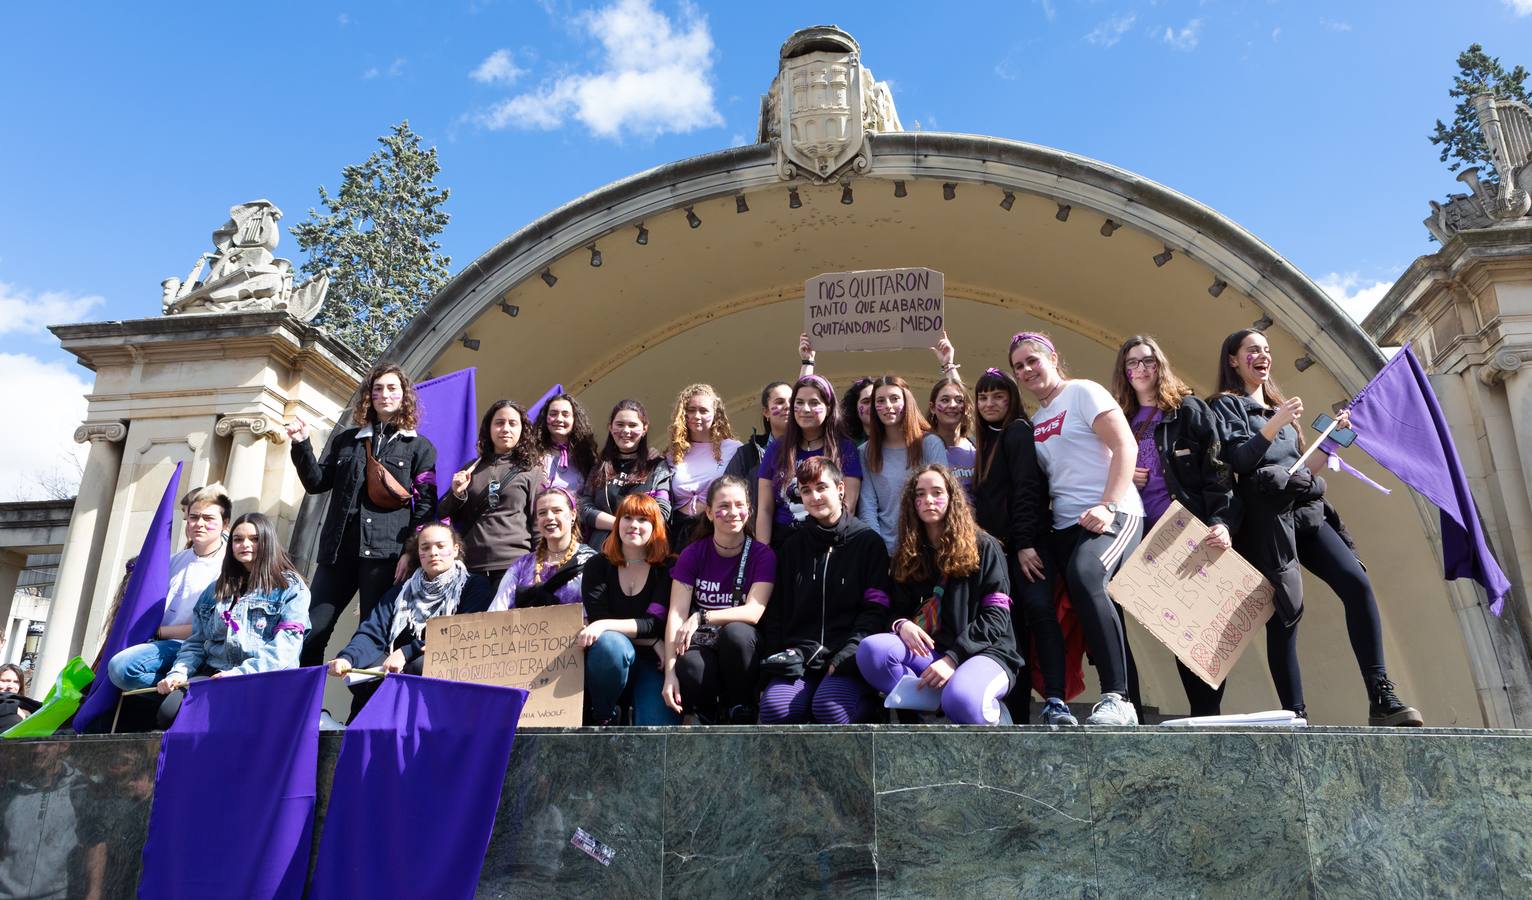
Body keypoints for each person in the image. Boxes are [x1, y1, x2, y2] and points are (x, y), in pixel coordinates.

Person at [1210, 328, 1422, 726]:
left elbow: (1304, 468)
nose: (1263, 356)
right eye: (1252, 350)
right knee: (1287, 612)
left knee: (1356, 584)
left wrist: (1333, 439)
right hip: (1266, 521)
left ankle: (1380, 695)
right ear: (1234, 360)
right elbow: (1239, 461)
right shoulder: (1225, 406)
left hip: (1306, 509)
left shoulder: (1281, 411)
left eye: (1267, 350)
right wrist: (1276, 422)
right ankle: (1296, 713)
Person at [1013, 331, 1144, 726]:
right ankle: (1126, 700)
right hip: (1064, 525)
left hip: (1113, 515)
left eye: (1032, 360)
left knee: (1087, 576)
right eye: (1018, 366)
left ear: (1052, 357)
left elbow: (1126, 447)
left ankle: (1117, 698)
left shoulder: (1084, 392)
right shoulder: (1035, 420)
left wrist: (1107, 505)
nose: (1026, 370)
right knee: (1086, 606)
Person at [1112, 335, 1238, 718]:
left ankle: (1206, 716)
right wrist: (1121, 477)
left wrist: (1222, 521)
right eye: (1131, 364)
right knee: (1173, 631)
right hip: (1141, 538)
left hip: (1187, 530)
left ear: (1160, 364)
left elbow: (1217, 470)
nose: (1140, 369)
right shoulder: (1119, 421)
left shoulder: (1188, 411)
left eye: (1147, 361)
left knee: (1198, 631)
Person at [285, 362, 438, 668]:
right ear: (370, 395)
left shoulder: (419, 448)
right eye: (377, 388)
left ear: (404, 395)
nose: (384, 394)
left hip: (385, 556)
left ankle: (361, 713)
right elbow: (316, 482)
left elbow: (425, 507)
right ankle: (308, 706)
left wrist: (411, 552)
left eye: (392, 388)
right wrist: (302, 442)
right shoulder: (346, 441)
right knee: (312, 630)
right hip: (338, 553)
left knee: (373, 635)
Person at [856, 465, 1023, 724]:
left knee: (962, 700)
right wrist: (902, 625)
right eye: (920, 495)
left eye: (937, 492)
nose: (928, 500)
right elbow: (893, 610)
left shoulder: (984, 547)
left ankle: (985, 710)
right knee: (872, 651)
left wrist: (952, 659)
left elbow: (996, 619)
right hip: (932, 654)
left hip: (987, 653)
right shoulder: (908, 554)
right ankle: (935, 701)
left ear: (952, 498)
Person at [969, 364, 1069, 725]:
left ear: (1012, 399)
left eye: (998, 395)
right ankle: (1017, 712)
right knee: (1013, 630)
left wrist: (1026, 544)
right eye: (983, 396)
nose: (990, 402)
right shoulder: (988, 439)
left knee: (1040, 615)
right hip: (1001, 552)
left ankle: (1056, 699)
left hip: (1028, 546)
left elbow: (1028, 490)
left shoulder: (1017, 431)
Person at [758, 457, 890, 724]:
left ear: (840, 489)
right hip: (800, 658)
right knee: (775, 709)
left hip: (845, 660)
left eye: (822, 487)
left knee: (830, 710)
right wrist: (777, 659)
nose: (814, 496)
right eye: (806, 491)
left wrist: (849, 653)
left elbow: (876, 610)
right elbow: (777, 612)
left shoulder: (867, 543)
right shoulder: (793, 546)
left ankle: (873, 711)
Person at [156, 513, 310, 728]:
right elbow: (196, 643)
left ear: (268, 542)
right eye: (238, 539)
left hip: (262, 679)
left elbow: (286, 649)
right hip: (214, 675)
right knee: (169, 712)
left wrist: (239, 674)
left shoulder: (291, 587)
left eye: (254, 539)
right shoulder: (215, 590)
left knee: (227, 718)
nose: (245, 544)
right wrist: (179, 672)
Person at [327, 523, 495, 719]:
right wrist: (347, 658)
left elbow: (462, 634)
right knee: (366, 671)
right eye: (425, 547)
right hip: (396, 666)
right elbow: (372, 633)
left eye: (441, 546)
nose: (433, 552)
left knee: (419, 666)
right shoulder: (400, 592)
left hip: (443, 669)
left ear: (455, 550)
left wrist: (407, 652)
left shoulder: (474, 586)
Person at [663, 476, 775, 724]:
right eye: (723, 506)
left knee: (736, 634)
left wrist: (702, 615)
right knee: (690, 665)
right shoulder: (693, 553)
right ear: (710, 512)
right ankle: (706, 715)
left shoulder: (762, 554)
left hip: (742, 647)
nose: (732, 512)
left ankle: (741, 708)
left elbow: (754, 611)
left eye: (739, 505)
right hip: (703, 642)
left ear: (749, 510)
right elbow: (676, 614)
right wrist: (670, 674)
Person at [106, 484, 231, 690]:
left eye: (208, 518)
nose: (199, 524)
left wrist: (159, 632)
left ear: (224, 524)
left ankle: (187, 687)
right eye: (193, 517)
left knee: (122, 668)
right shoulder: (172, 561)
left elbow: (214, 629)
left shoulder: (228, 568)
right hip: (156, 643)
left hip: (194, 647)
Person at [580, 493, 678, 726]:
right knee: (610, 645)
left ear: (655, 527)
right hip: (611, 660)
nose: (634, 525)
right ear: (618, 523)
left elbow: (654, 622)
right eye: (627, 517)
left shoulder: (667, 567)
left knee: (657, 731)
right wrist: (654, 642)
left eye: (643, 520)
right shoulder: (597, 565)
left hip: (653, 664)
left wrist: (605, 625)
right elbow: (599, 622)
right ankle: (605, 714)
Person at [756, 375, 863, 547]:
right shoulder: (776, 448)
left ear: (828, 407)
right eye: (799, 402)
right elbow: (765, 509)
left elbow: (848, 506)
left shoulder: (845, 448)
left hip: (829, 543)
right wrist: (763, 553)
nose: (805, 409)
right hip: (784, 543)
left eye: (814, 403)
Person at [441, 399, 540, 584]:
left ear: (522, 430)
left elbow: (538, 523)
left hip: (514, 566)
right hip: (471, 568)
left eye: (513, 423)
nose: (505, 429)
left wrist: (540, 565)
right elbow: (444, 513)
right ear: (489, 428)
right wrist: (456, 493)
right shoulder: (472, 468)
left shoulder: (531, 471)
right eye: (499, 423)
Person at [860, 375, 948, 551]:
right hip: (887, 551)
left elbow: (945, 497)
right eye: (881, 400)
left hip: (928, 548)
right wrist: (876, 549)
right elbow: (867, 505)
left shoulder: (930, 444)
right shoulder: (865, 451)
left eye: (894, 398)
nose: (888, 406)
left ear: (907, 401)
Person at [578, 400, 673, 550]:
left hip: (642, 550)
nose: (626, 431)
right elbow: (583, 506)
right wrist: (618, 524)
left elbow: (663, 510)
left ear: (644, 429)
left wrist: (631, 526)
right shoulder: (600, 466)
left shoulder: (656, 465)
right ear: (610, 427)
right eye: (620, 424)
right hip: (601, 550)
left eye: (633, 425)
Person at [490, 487, 598, 610]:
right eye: (542, 513)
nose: (549, 517)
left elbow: (598, 611)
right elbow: (497, 609)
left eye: (557, 510)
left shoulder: (590, 562)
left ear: (572, 515)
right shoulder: (522, 566)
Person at [665, 384, 742, 552]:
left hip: (715, 530)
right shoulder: (673, 453)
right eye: (691, 410)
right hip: (678, 533)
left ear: (716, 414)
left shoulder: (734, 449)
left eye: (703, 410)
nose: (696, 416)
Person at [722, 381, 793, 491]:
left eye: (792, 401)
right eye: (779, 402)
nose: (788, 406)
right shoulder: (746, 455)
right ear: (766, 412)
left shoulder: (811, 446)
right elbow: (727, 492)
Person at [534, 392, 599, 494]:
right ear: (545, 418)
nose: (559, 419)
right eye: (553, 414)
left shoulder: (586, 456)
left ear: (574, 420)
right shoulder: (533, 453)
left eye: (565, 414)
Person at [0, 664, 37, 730]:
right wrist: (13, 707)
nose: (10, 686)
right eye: (5, 681)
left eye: (16, 682)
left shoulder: (30, 706)